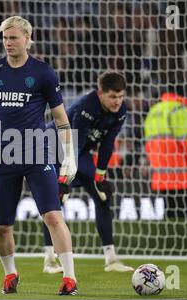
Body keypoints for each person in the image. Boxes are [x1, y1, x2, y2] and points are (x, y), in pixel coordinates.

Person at [0, 16, 79, 295]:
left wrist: (69, 156)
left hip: (37, 152)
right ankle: (10, 275)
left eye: (14, 38)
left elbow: (61, 119)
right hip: (4, 156)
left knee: (53, 216)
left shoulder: (43, 73)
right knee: (2, 226)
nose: (8, 43)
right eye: (5, 38)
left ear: (28, 39)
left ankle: (69, 278)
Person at [42, 71, 134, 273]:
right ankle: (50, 260)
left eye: (120, 96)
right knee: (54, 203)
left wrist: (100, 175)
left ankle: (111, 260)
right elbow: (74, 144)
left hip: (78, 152)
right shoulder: (86, 107)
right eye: (112, 96)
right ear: (100, 93)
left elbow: (108, 143)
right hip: (54, 147)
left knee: (103, 198)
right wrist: (65, 179)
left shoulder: (120, 111)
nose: (117, 101)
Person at [143, 92, 187, 218]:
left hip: (161, 177)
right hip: (182, 177)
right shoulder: (182, 110)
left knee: (169, 216)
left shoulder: (153, 112)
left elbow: (148, 146)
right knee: (183, 218)